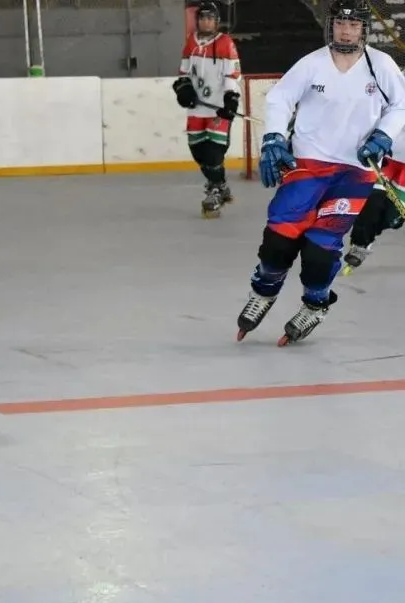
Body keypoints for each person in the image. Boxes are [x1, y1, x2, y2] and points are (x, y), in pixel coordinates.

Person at [235, 0, 405, 346]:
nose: (346, 30)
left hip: (354, 174)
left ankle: (315, 303)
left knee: (320, 249)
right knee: (279, 239)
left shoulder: (381, 65)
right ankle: (264, 292)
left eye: (353, 25)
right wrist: (273, 139)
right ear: (331, 27)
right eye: (340, 24)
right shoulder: (312, 64)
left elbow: (401, 105)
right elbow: (280, 99)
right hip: (308, 165)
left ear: (363, 29)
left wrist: (384, 135)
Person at [172, 0, 242, 218]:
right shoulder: (190, 43)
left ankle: (213, 190)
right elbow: (183, 73)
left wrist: (231, 99)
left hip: (218, 110)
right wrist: (183, 89)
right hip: (196, 110)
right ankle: (220, 184)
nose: (206, 21)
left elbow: (233, 74)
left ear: (217, 21)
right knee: (198, 153)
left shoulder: (226, 43)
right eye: (202, 17)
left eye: (210, 18)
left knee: (213, 152)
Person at [341, 150, 405, 273]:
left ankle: (370, 232)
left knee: (392, 219)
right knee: (371, 203)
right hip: (388, 157)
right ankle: (360, 244)